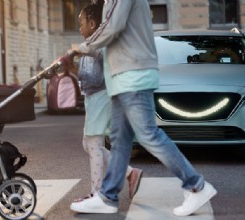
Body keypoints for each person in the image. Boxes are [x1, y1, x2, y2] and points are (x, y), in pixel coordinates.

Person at [67, 0, 217, 217]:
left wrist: (81, 48)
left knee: (148, 135)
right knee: (120, 140)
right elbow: (110, 35)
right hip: (120, 77)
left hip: (133, 75)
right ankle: (108, 198)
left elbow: (112, 28)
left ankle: (196, 185)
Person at [62, 3, 143, 201]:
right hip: (94, 97)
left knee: (94, 143)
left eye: (81, 23)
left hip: (103, 96)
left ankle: (98, 194)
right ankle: (129, 173)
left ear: (91, 23)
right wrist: (68, 67)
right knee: (88, 144)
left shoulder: (100, 43)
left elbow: (97, 66)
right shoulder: (90, 44)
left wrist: (76, 51)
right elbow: (87, 75)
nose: (79, 28)